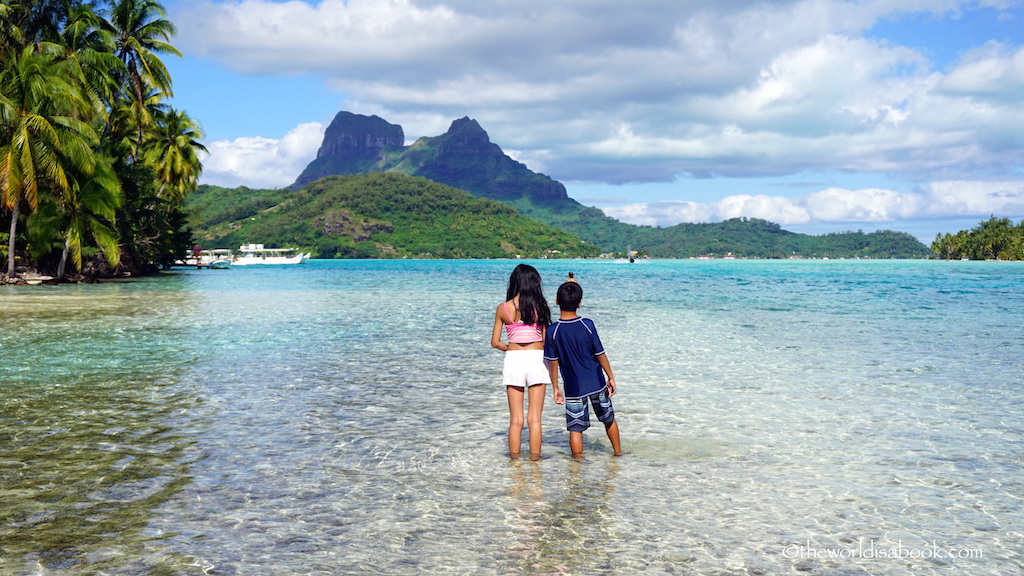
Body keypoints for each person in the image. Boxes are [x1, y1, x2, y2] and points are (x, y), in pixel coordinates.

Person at [544, 278, 622, 460]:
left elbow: (552, 362)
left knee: (575, 427)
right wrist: (610, 376)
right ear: (580, 303)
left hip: (573, 386)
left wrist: (555, 387)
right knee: (608, 418)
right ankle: (618, 453)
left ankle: (577, 464)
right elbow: (600, 354)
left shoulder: (552, 331)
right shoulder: (588, 325)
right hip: (596, 381)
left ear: (556, 301)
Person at [491, 264, 552, 460]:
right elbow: (545, 340)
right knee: (535, 419)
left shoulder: (503, 308)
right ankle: (535, 461)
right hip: (536, 358)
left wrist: (510, 348)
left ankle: (515, 463)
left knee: (516, 420)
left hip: (514, 359)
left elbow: (495, 342)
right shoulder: (540, 307)